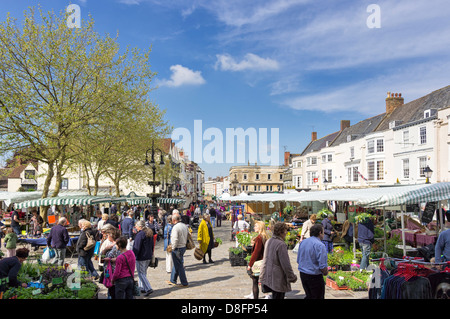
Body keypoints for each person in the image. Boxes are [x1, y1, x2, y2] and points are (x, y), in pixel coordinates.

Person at [259, 222, 297, 299]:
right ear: (281, 232)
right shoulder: (281, 244)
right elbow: (286, 264)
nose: (286, 233)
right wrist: (292, 277)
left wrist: (262, 275)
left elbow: (265, 259)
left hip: (270, 274)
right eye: (285, 231)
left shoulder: (269, 241)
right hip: (278, 277)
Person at [297, 224, 328, 299]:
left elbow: (298, 260)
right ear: (320, 233)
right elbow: (322, 266)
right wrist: (325, 272)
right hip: (314, 276)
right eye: (323, 232)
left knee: (309, 295)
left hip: (303, 274)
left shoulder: (303, 242)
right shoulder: (320, 245)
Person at [245, 220, 269, 299]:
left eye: (256, 226)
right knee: (260, 280)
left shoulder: (259, 238)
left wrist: (250, 264)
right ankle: (265, 295)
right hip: (264, 261)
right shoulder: (265, 236)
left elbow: (256, 253)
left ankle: (256, 297)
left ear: (260, 228)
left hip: (259, 262)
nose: (254, 227)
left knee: (255, 281)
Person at [132, 220, 154, 296]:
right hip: (148, 255)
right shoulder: (149, 233)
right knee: (143, 272)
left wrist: (133, 255)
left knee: (141, 273)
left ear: (140, 227)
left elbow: (136, 247)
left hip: (141, 256)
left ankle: (148, 288)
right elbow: (152, 245)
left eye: (136, 226)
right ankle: (143, 287)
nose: (136, 227)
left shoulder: (140, 235)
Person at [166, 214, 188, 287]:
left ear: (174, 220)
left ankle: (184, 282)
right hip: (183, 246)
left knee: (179, 265)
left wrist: (173, 248)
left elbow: (175, 239)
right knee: (176, 264)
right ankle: (173, 280)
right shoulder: (184, 225)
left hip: (177, 248)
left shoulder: (176, 227)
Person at [102, 229, 121, 299]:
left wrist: (106, 249)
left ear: (111, 236)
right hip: (111, 271)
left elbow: (104, 257)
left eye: (108, 235)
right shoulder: (113, 245)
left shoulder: (115, 246)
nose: (107, 237)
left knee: (112, 289)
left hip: (113, 271)